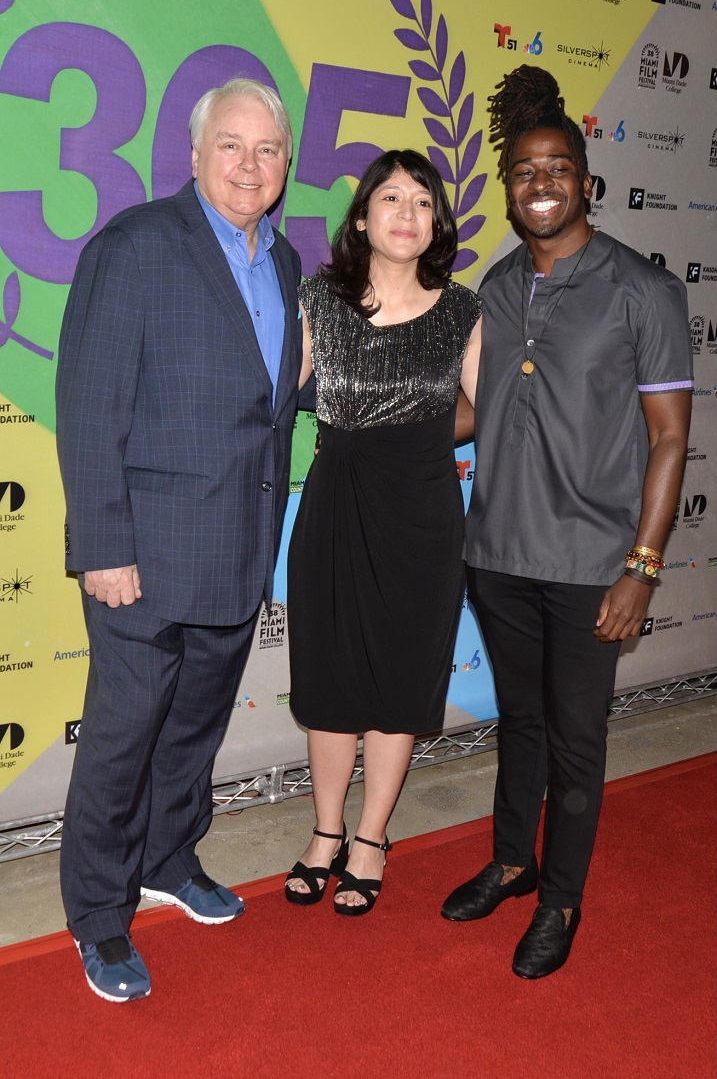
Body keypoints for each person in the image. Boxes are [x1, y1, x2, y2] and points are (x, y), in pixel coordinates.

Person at [55, 78, 304, 1002]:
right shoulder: (136, 247)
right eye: (231, 146)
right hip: (144, 560)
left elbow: (269, 400)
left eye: (268, 150)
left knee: (193, 732)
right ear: (194, 156)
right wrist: (104, 546)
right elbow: (87, 410)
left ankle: (168, 858)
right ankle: (99, 916)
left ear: (286, 166)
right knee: (121, 743)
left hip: (237, 551)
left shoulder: (281, 264)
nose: (250, 165)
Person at [441, 66, 693, 978]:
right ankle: (513, 861)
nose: (539, 184)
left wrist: (642, 566)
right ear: (505, 188)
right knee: (521, 720)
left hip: (594, 562)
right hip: (497, 554)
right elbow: (476, 407)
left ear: (585, 181)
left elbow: (668, 442)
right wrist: (378, 431)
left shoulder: (644, 291)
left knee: (578, 738)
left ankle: (560, 898)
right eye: (521, 171)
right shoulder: (498, 288)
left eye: (556, 169)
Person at [285, 149, 482, 915]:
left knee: (399, 678)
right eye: (390, 198)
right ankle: (325, 832)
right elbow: (271, 402)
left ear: (436, 223)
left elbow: (495, 410)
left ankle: (371, 837)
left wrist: (424, 434)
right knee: (331, 675)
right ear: (361, 217)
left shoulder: (462, 310)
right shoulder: (317, 302)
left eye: (422, 201)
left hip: (423, 515)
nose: (406, 212)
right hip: (335, 503)